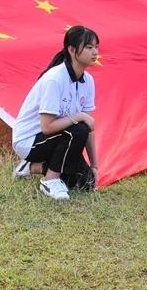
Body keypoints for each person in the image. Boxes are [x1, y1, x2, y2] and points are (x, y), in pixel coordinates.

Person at [10, 25, 100, 200]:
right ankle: (50, 180)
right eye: (89, 47)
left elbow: (89, 126)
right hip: (30, 141)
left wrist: (94, 166)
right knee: (78, 129)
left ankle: (31, 167)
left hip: (59, 137)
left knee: (86, 182)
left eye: (96, 47)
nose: (95, 52)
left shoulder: (88, 81)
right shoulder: (55, 79)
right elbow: (47, 127)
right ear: (72, 50)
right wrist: (79, 116)